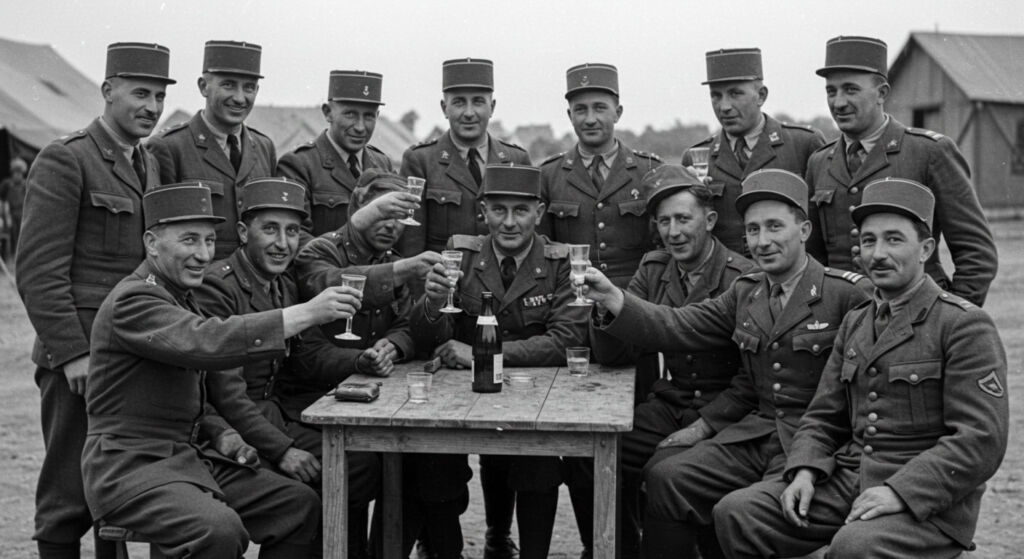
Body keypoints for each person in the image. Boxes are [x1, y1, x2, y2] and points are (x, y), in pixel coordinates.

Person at [582, 169, 871, 559]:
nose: (762, 241)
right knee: (668, 477)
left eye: (774, 227)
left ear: (804, 230)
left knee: (744, 512)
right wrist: (613, 298)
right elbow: (679, 324)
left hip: (815, 442)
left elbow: (864, 395)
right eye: (753, 230)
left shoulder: (848, 294)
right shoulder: (747, 291)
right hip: (756, 433)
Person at [713, 178, 1009, 559]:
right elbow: (823, 416)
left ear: (926, 249)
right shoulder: (857, 321)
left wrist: (900, 492)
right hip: (848, 480)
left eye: (893, 240)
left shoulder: (962, 325)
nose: (878, 254)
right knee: (738, 513)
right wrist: (805, 469)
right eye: (869, 241)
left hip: (927, 502)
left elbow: (980, 440)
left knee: (853, 547)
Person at [82, 181, 363, 558]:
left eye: (210, 241)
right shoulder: (134, 299)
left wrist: (223, 433)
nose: (203, 254)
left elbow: (191, 395)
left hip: (187, 458)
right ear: (152, 243)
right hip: (132, 467)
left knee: (297, 506)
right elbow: (205, 341)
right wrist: (306, 313)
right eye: (190, 240)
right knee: (218, 529)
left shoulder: (180, 297)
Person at [15, 42, 173, 559]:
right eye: (140, 94)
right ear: (107, 91)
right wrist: (72, 353)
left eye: (158, 97)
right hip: (79, 359)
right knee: (66, 495)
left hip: (131, 353)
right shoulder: (67, 158)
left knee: (114, 491)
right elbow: (38, 271)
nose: (151, 107)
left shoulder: (149, 164)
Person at [193, 176, 382, 558]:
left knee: (361, 465)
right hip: (225, 427)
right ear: (243, 232)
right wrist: (283, 451)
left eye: (292, 231)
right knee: (300, 498)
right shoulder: (218, 287)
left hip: (271, 413)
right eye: (270, 230)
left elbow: (306, 355)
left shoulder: (282, 283)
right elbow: (227, 394)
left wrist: (360, 360)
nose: (283, 244)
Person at [411, 164, 587, 559]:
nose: (509, 223)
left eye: (520, 211)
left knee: (538, 464)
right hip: (463, 393)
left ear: (539, 213)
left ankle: (521, 550)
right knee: (435, 461)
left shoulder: (559, 262)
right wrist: (433, 303)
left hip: (533, 392)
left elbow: (566, 340)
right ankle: (447, 552)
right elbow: (428, 339)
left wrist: (481, 354)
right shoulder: (461, 255)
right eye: (498, 210)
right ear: (483, 212)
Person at [584, 164, 755, 558]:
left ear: (709, 220)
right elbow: (617, 354)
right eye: (664, 221)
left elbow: (752, 379)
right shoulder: (655, 269)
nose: (673, 232)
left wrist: (704, 425)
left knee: (666, 470)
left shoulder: (742, 278)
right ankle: (618, 547)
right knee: (593, 453)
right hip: (672, 403)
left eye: (683, 219)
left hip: (726, 415)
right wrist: (604, 312)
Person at [805, 35, 997, 306]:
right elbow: (813, 257)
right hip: (843, 317)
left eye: (851, 90)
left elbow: (977, 254)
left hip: (915, 312)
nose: (838, 103)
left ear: (882, 93)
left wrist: (947, 318)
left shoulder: (929, 152)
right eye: (831, 91)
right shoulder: (819, 162)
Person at [681, 48, 825, 255]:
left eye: (735, 94)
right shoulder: (697, 157)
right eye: (716, 96)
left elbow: (822, 225)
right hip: (726, 273)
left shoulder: (803, 144)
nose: (724, 106)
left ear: (761, 96)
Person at [149, 39, 277, 260]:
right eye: (228, 85)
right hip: (199, 276)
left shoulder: (264, 147)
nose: (239, 98)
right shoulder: (170, 147)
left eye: (249, 87)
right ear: (203, 86)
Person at [540, 63, 662, 289]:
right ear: (569, 115)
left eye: (599, 108)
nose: (590, 119)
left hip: (636, 295)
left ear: (618, 113)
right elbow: (540, 245)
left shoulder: (649, 170)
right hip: (572, 294)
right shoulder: (548, 175)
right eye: (580, 110)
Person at [396, 58, 531, 258]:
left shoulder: (516, 159)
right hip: (442, 275)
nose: (469, 113)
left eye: (478, 101)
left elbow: (529, 239)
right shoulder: (420, 161)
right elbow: (411, 246)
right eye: (459, 102)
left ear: (492, 107)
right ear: (444, 108)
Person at [278, 70, 395, 240]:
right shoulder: (299, 164)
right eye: (350, 114)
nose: (360, 127)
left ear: (377, 116)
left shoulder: (383, 165)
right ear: (327, 113)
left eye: (369, 116)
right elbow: (297, 237)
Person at [0, 157, 28, 256]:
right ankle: (11, 256)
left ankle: (21, 255)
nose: (17, 175)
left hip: (22, 214)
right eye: (15, 172)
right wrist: (5, 216)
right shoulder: (7, 184)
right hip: (10, 214)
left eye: (20, 172)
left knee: (22, 236)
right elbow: (2, 200)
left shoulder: (25, 184)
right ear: (12, 172)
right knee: (12, 236)